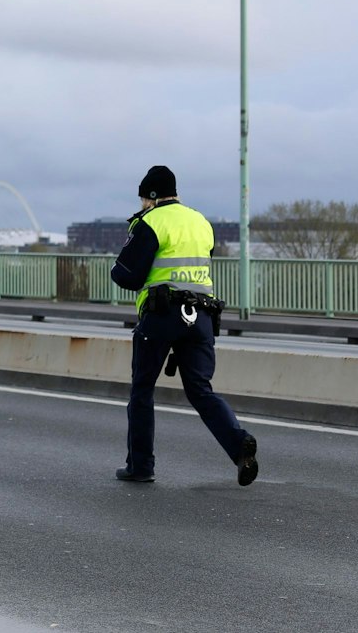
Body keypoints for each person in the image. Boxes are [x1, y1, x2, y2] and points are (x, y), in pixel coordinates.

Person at [110, 165, 259, 486]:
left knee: (142, 390)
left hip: (162, 314)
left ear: (150, 197)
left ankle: (140, 466)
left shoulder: (151, 222)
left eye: (142, 199)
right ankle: (239, 444)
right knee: (201, 390)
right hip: (202, 316)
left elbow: (126, 275)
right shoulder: (201, 222)